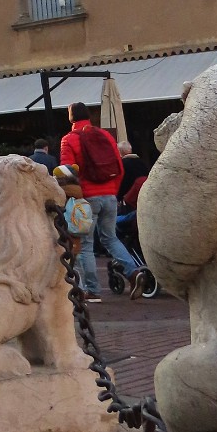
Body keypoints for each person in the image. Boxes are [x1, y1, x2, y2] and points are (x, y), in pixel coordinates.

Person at [60, 102, 149, 300]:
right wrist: (113, 191)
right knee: (110, 238)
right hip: (110, 196)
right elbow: (120, 166)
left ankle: (92, 290)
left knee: (85, 244)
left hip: (87, 198)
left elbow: (67, 172)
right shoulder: (105, 136)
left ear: (71, 117)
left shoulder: (69, 139)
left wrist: (72, 197)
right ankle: (133, 272)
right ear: (89, 116)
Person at [52, 164, 99, 301]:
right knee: (77, 261)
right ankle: (86, 289)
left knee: (69, 263)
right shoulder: (77, 191)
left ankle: (80, 290)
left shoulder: (62, 192)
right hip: (76, 233)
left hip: (64, 232)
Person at [117, 140, 150, 205]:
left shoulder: (122, 165)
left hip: (129, 199)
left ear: (120, 152)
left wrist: (119, 197)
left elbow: (122, 183)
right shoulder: (142, 163)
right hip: (143, 195)